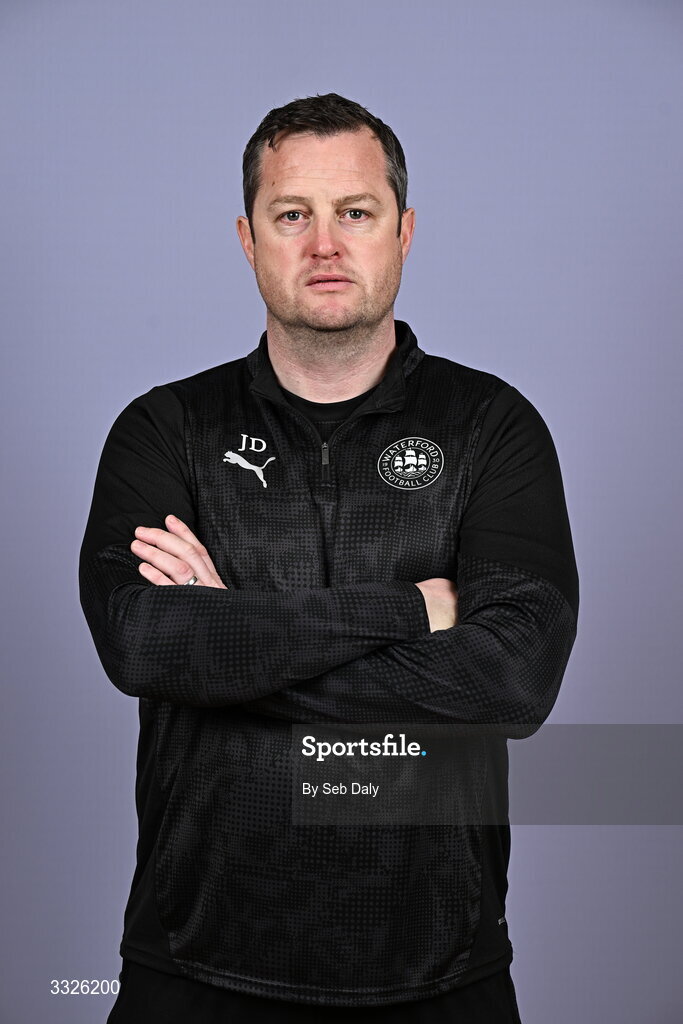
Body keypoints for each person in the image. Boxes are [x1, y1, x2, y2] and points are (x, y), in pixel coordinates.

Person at [79, 92, 578, 1023]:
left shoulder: (489, 429)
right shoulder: (166, 431)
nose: (324, 245)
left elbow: (512, 677)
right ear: (246, 237)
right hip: (192, 967)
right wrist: (412, 610)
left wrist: (230, 641)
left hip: (441, 970)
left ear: (403, 229)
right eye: (290, 215)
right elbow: (147, 646)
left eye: (354, 212)